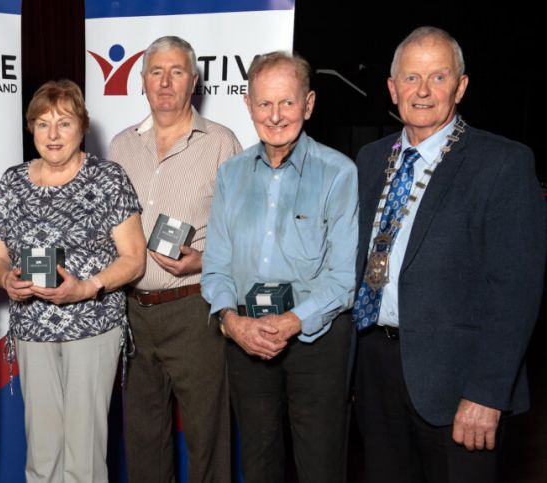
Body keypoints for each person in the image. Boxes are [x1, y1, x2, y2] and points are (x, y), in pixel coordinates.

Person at [352, 26, 546, 483]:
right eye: (411, 78)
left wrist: (488, 393)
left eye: (438, 78)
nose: (422, 91)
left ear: (460, 87)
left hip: (461, 383)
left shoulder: (503, 163)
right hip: (375, 368)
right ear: (392, 87)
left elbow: (515, 291)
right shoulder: (369, 158)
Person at [201, 51, 357, 482]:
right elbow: (215, 265)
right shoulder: (230, 174)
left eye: (287, 103)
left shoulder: (338, 173)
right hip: (246, 339)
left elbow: (343, 278)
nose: (275, 116)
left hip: (316, 342)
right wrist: (231, 322)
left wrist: (291, 321)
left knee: (320, 465)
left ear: (308, 104)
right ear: (248, 106)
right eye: (264, 104)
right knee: (258, 461)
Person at [0, 79, 146, 483]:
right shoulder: (12, 181)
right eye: (42, 124)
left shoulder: (108, 178)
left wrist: (87, 287)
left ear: (82, 127)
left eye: (64, 123)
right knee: (41, 450)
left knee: (84, 453)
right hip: (33, 330)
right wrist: (6, 279)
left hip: (92, 326)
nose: (52, 135)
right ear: (31, 129)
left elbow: (134, 259)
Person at [108, 35, 242, 482]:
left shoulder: (222, 142)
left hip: (194, 310)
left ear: (194, 82)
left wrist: (202, 260)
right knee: (144, 437)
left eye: (177, 72)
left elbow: (240, 232)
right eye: (156, 72)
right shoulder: (120, 145)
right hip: (133, 313)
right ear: (142, 81)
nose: (165, 82)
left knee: (207, 437)